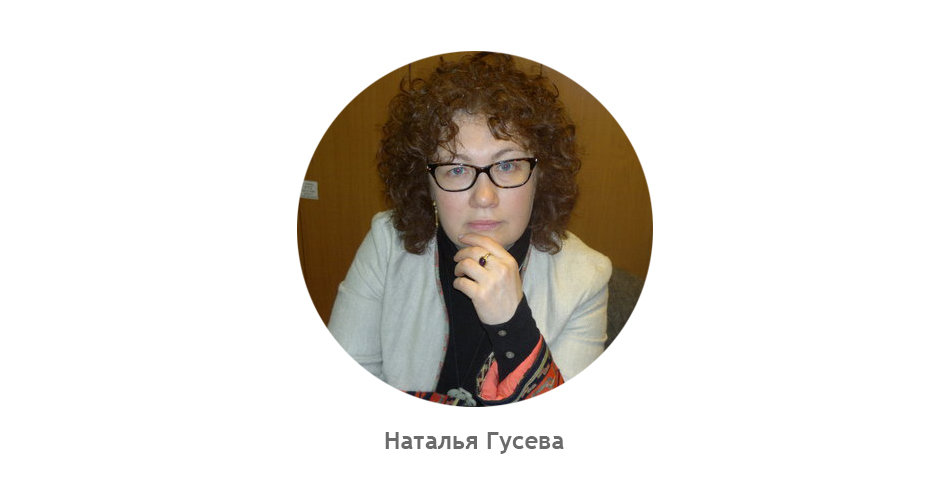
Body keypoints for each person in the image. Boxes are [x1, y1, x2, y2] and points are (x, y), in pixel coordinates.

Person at [328, 52, 611, 406]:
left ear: (540, 177)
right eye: (457, 169)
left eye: (507, 165)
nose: (484, 197)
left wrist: (513, 325)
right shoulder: (387, 244)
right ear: (426, 184)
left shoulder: (585, 277)